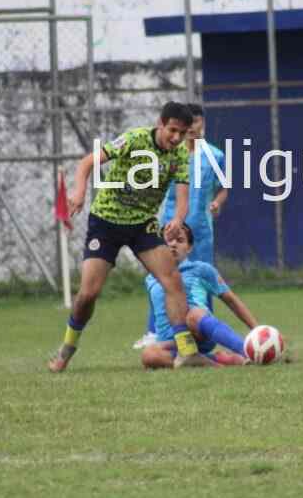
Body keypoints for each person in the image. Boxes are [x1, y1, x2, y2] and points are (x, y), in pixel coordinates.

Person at [47, 101, 212, 372]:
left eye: (182, 133)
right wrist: (78, 192)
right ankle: (67, 348)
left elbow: (183, 197)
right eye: (172, 130)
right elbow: (87, 162)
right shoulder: (134, 139)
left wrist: (178, 220)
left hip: (142, 225)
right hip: (106, 222)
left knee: (172, 279)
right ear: (160, 123)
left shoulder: (180, 155)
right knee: (88, 294)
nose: (176, 137)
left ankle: (186, 351)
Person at [133, 103, 229, 349]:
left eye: (198, 122)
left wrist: (217, 203)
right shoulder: (171, 153)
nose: (193, 128)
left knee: (203, 276)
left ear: (202, 124)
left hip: (201, 228)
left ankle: (205, 328)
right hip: (171, 226)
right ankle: (155, 331)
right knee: (161, 276)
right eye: (190, 123)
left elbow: (223, 187)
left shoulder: (215, 156)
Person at [140, 224, 259, 369]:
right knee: (149, 355)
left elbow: (231, 300)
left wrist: (256, 330)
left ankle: (248, 351)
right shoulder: (151, 277)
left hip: (198, 331)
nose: (173, 244)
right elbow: (155, 312)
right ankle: (216, 360)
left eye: (179, 240)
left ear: (189, 247)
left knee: (194, 314)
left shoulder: (202, 270)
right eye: (168, 240)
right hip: (172, 342)